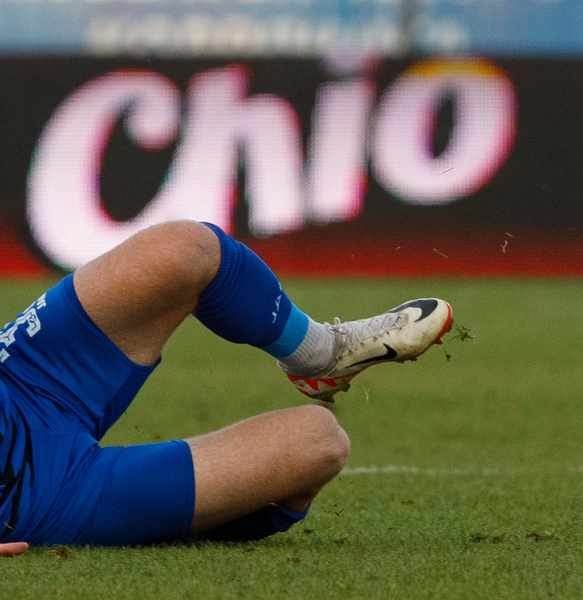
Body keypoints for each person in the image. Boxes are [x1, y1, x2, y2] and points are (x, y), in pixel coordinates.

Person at [0, 220, 451, 553]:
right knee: (318, 443)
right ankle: (174, 512)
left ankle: (320, 353)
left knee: (183, 249)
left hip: (18, 376)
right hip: (33, 493)